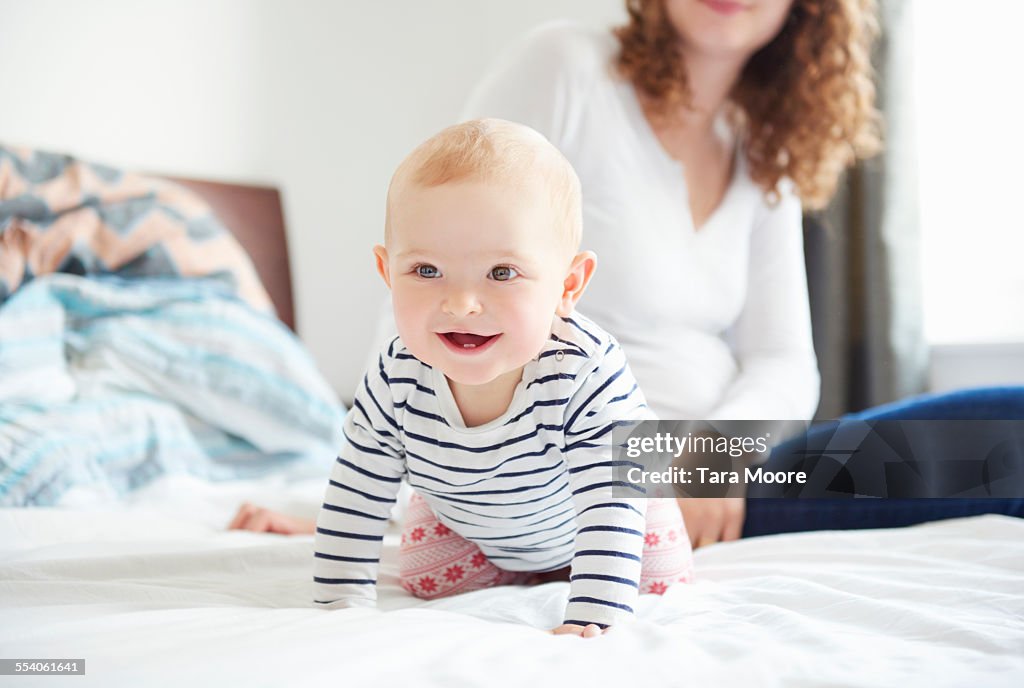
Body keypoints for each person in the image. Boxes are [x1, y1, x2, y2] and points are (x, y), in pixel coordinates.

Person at [308, 118, 693, 638]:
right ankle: (509, 561)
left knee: (660, 576)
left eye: (502, 273)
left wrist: (592, 617)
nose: (462, 304)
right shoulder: (394, 375)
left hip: (605, 509)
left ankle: (578, 566)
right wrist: (340, 602)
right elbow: (358, 488)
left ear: (567, 285)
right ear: (386, 272)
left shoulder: (583, 371)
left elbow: (610, 497)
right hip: (475, 523)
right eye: (425, 270)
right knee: (424, 576)